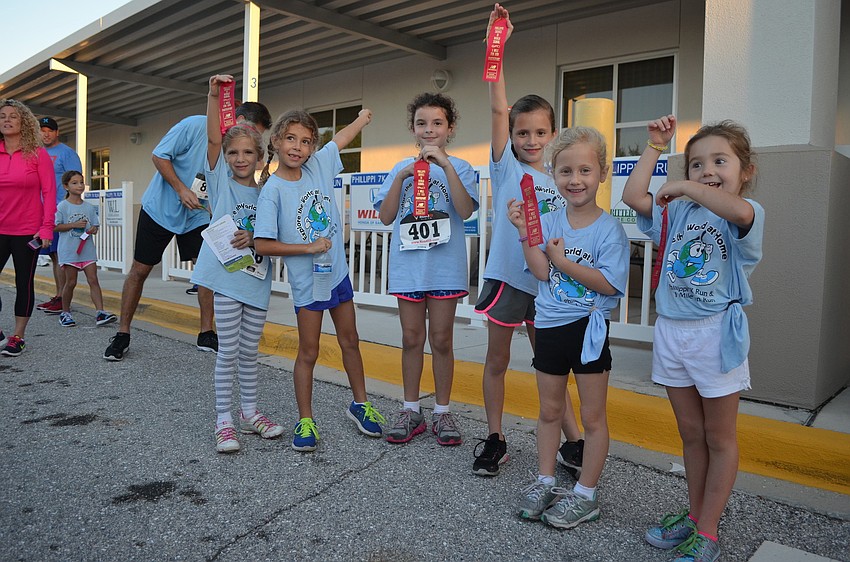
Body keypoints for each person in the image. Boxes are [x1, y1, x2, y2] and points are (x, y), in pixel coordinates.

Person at [623, 115, 763, 562]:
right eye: (697, 163)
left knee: (719, 436)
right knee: (690, 433)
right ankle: (697, 512)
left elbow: (736, 212)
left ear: (746, 171)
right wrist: (655, 146)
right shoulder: (679, 211)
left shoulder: (746, 213)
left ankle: (709, 531)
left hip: (714, 334)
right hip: (672, 331)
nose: (707, 171)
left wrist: (684, 185)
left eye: (720, 161)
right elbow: (633, 197)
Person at [472, 3, 583, 477]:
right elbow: (498, 106)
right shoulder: (506, 167)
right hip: (509, 280)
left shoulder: (562, 177)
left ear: (553, 134)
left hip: (549, 284)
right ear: (511, 135)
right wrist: (496, 43)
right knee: (497, 360)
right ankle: (495, 437)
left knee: (551, 365)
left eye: (540, 132)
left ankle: (573, 442)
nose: (531, 139)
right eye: (522, 132)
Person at [508, 127, 628, 529]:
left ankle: (585, 494)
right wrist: (525, 232)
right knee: (549, 411)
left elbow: (609, 284)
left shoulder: (609, 229)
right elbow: (542, 271)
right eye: (565, 171)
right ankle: (545, 480)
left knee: (592, 418)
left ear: (602, 173)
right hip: (550, 326)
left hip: (588, 329)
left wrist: (563, 262)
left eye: (584, 170)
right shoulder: (548, 220)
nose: (575, 180)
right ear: (553, 174)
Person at [253, 108, 385, 452]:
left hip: (336, 275)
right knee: (309, 352)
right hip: (308, 285)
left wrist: (362, 119)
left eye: (306, 141)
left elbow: (340, 139)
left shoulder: (318, 167)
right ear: (276, 141)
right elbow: (262, 244)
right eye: (290, 139)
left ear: (312, 147)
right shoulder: (273, 191)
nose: (297, 147)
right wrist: (307, 247)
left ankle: (360, 404)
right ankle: (306, 420)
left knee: (350, 340)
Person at [103, 100, 272, 361]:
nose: (250, 139)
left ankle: (207, 332)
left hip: (197, 215)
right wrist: (181, 189)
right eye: (251, 129)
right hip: (161, 208)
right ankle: (122, 333)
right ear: (237, 119)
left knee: (208, 269)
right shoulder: (194, 125)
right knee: (140, 270)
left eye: (256, 138)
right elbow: (159, 155)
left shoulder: (237, 150)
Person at [374, 92, 478, 446]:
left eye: (437, 123)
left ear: (450, 128)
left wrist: (446, 166)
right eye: (422, 123)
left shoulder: (461, 167)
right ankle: (410, 408)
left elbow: (465, 210)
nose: (429, 129)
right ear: (413, 129)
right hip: (409, 267)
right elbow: (386, 216)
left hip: (444, 267)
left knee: (442, 339)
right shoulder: (399, 168)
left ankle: (443, 410)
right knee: (411, 338)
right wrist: (402, 176)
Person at [193, 75, 283, 453]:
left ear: (259, 157)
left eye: (248, 153)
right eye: (233, 153)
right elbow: (214, 138)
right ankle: (223, 421)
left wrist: (256, 238)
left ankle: (249, 413)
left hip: (256, 282)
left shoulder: (268, 193)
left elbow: (273, 237)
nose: (240, 158)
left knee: (249, 352)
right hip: (227, 279)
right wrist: (214, 95)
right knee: (227, 351)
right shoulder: (220, 183)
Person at [0, 99, 56, 356]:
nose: (7, 120)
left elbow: (49, 192)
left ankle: (18, 336)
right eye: (2, 116)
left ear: (23, 122)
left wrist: (46, 228)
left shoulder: (37, 154)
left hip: (27, 231)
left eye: (13, 116)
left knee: (24, 282)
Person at [53, 170, 117, 328]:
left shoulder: (89, 207)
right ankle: (65, 312)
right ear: (66, 186)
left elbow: (94, 225)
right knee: (71, 282)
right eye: (74, 183)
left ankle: (100, 312)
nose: (79, 186)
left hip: (87, 249)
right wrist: (73, 225)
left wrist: (93, 229)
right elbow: (56, 226)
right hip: (70, 250)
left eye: (81, 182)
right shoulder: (63, 206)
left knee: (93, 279)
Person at [35, 117, 83, 315]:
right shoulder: (37, 152)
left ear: (57, 132)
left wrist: (71, 209)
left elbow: (76, 182)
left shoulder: (66, 153)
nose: (46, 134)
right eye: (42, 130)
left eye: (50, 130)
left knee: (61, 256)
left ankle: (63, 299)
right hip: (42, 211)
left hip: (60, 211)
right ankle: (59, 296)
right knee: (54, 256)